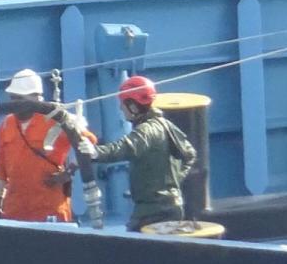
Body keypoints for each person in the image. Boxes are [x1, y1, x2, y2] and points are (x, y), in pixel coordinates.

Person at [78, 75, 197, 231]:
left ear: (133, 106)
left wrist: (95, 152)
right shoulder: (165, 125)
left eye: (123, 104)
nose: (121, 108)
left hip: (154, 212)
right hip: (168, 208)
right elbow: (190, 154)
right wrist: (173, 184)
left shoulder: (147, 130)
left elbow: (124, 147)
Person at [0, 69, 97, 222]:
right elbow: (0, 171)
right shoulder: (6, 125)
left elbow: (88, 142)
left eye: (19, 98)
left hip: (50, 208)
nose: (14, 104)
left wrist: (69, 171)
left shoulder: (57, 121)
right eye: (12, 98)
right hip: (15, 210)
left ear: (37, 98)